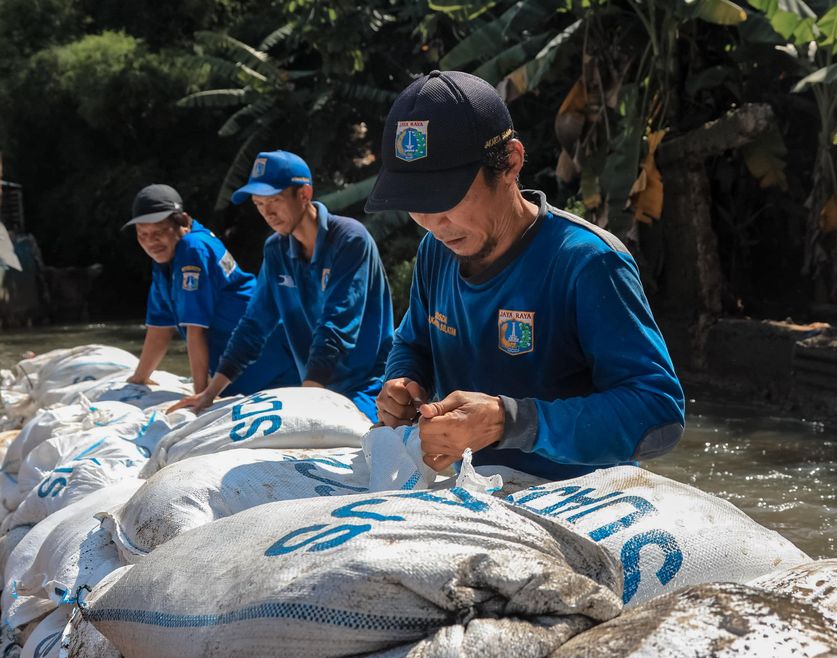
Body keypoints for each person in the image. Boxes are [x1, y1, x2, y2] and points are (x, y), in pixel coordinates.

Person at [367, 70, 685, 480]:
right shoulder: (436, 252)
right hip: (471, 487)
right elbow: (413, 343)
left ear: (510, 164)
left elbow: (659, 416)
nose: (433, 222)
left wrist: (508, 420)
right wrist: (404, 383)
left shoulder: (587, 263)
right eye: (414, 203)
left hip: (578, 497)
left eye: (447, 197)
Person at [171, 151, 393, 420]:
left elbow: (338, 323)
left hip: (368, 387)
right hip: (315, 386)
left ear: (304, 194)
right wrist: (209, 393)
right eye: (259, 204)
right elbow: (253, 326)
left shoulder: (349, 239)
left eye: (274, 201)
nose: (267, 213)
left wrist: (309, 397)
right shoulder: (276, 248)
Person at [124, 184, 297, 395]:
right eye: (143, 234)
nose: (151, 242)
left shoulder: (192, 248)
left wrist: (201, 396)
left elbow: (196, 329)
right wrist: (139, 379)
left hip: (270, 362)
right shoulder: (164, 262)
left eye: (159, 232)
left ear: (184, 222)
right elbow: (160, 328)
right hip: (245, 368)